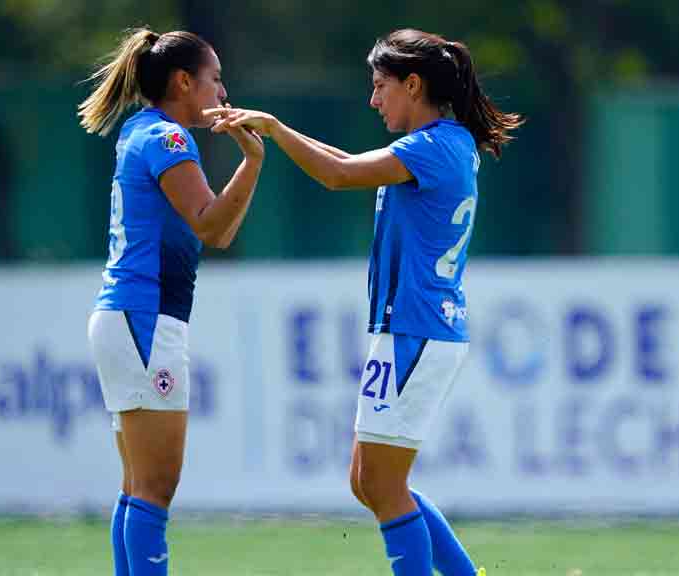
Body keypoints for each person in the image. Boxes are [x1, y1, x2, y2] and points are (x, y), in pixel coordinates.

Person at [211, 28, 521, 576]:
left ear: (414, 84)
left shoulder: (436, 146)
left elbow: (336, 174)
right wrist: (278, 131)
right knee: (369, 481)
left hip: (419, 328)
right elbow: (345, 159)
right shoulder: (437, 145)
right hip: (405, 328)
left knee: (382, 483)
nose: (373, 99)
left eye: (381, 86)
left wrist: (277, 130)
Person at [78, 28, 264, 576]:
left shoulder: (145, 130)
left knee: (139, 486)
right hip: (143, 317)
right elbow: (210, 225)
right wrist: (252, 162)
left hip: (129, 315)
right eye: (215, 79)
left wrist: (249, 164)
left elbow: (219, 232)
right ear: (184, 81)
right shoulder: (168, 138)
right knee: (155, 488)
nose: (223, 93)